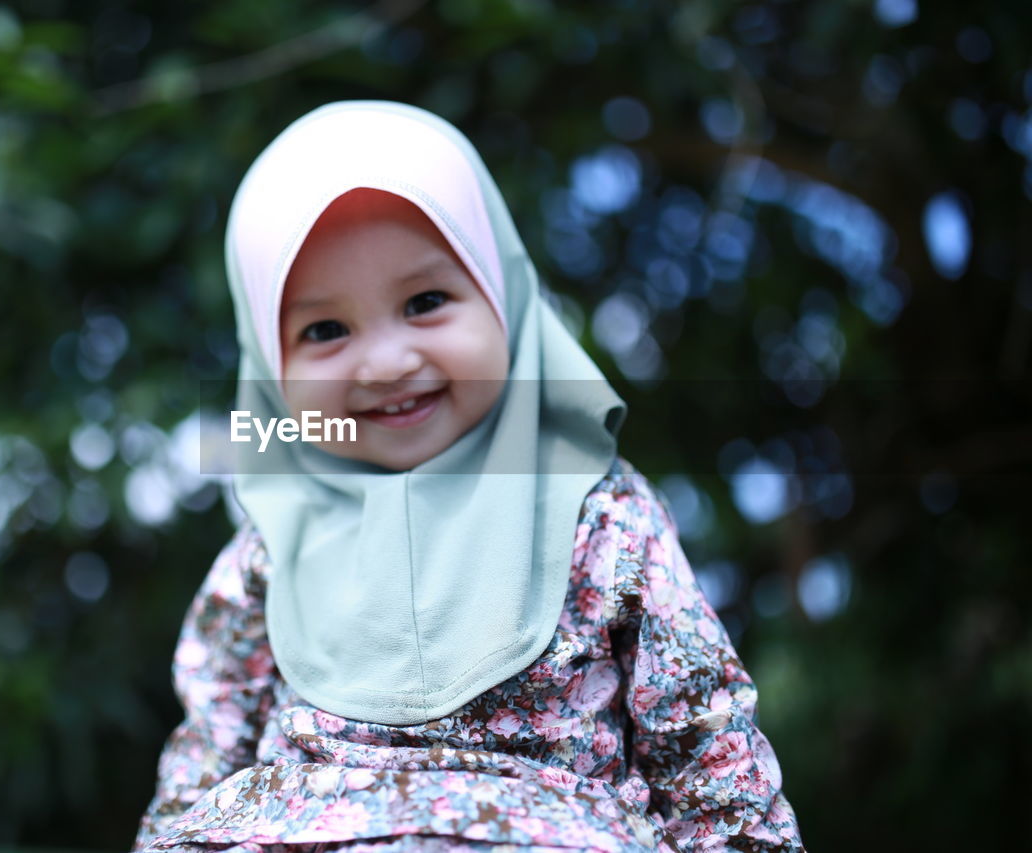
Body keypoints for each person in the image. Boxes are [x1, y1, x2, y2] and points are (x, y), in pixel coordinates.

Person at [133, 101, 805, 852]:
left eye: (425, 302)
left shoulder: (597, 514)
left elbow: (705, 748)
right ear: (267, 363)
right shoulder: (269, 552)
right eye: (325, 330)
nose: (385, 363)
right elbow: (203, 763)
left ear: (503, 298)